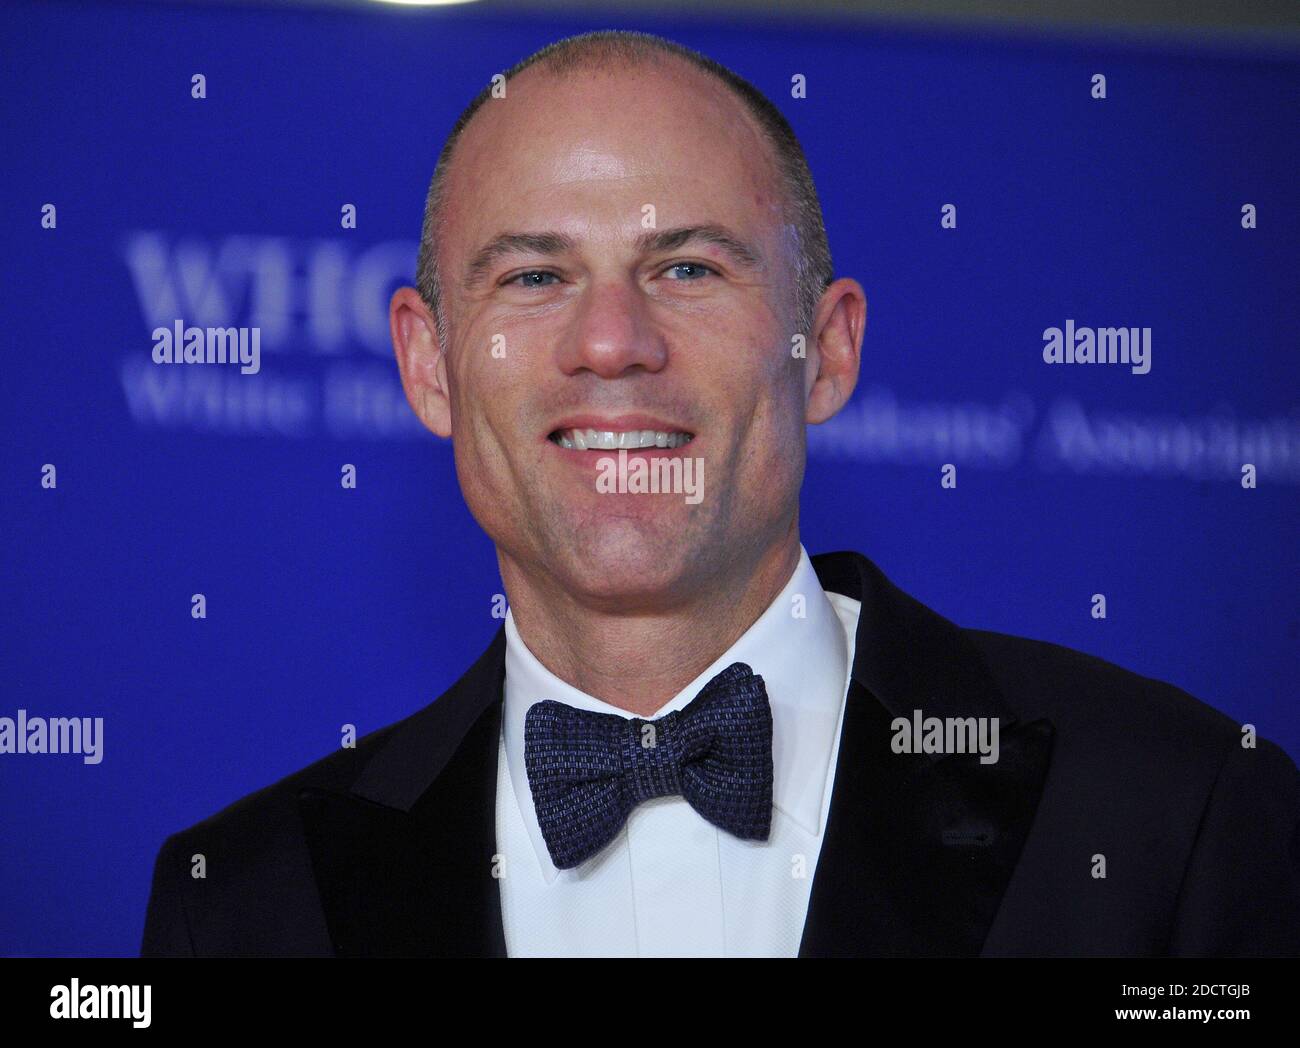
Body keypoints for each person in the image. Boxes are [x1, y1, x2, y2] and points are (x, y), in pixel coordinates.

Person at [141, 29, 1300, 958]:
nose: (610, 341)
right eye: (534, 275)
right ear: (428, 364)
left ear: (828, 348)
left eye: (686, 268)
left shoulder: (1172, 812)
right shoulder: (244, 905)